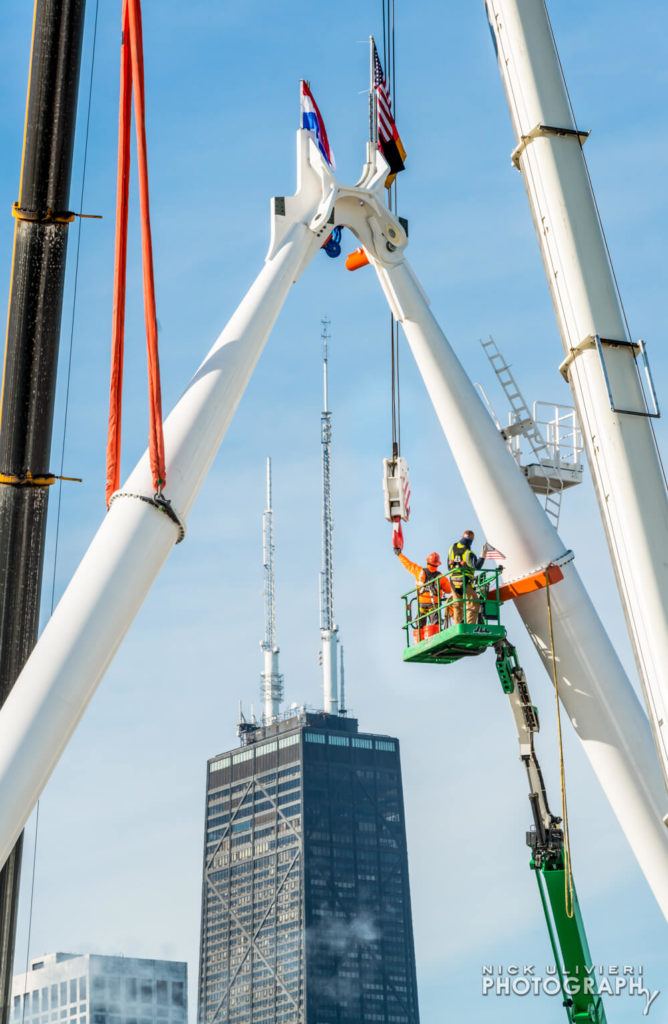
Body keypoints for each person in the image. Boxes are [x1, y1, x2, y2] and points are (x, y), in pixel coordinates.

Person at [395, 547, 450, 640]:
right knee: (435, 623)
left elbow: (408, 564)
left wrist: (399, 554)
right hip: (434, 605)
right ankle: (434, 639)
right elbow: (448, 590)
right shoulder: (441, 577)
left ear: (427, 561)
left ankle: (419, 641)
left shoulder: (419, 571)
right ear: (437, 564)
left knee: (420, 623)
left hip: (422, 604)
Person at [447, 530, 485, 625]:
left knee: (457, 605)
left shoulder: (452, 548)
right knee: (473, 603)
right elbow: (477, 566)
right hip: (464, 581)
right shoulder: (469, 553)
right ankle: (469, 626)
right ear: (471, 540)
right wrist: (483, 555)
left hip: (453, 581)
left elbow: (448, 566)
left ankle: (458, 626)